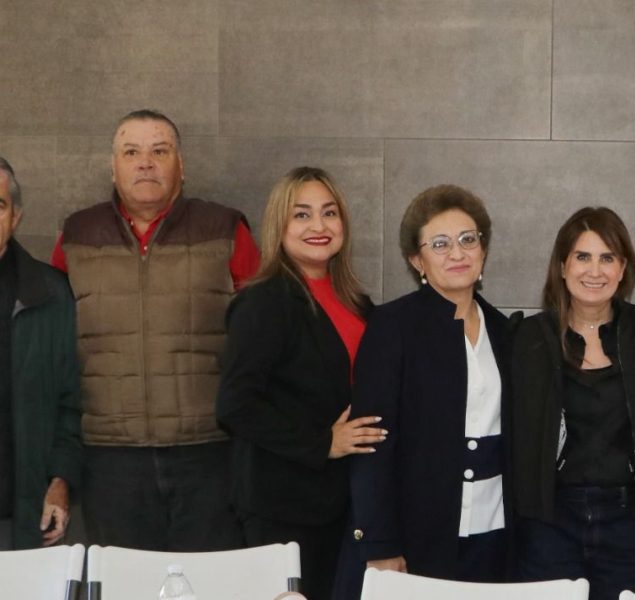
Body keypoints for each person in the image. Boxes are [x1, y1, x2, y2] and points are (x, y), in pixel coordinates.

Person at [51, 109, 259, 551]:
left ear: (181, 165)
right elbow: (52, 346)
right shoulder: (77, 235)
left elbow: (261, 334)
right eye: (131, 152)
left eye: (159, 151)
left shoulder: (225, 229)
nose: (145, 162)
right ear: (113, 167)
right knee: (124, 581)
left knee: (210, 580)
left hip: (210, 452)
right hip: (109, 459)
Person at [217, 166, 383, 600]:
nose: (318, 226)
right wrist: (322, 442)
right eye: (302, 215)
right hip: (282, 506)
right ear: (280, 225)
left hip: (344, 502)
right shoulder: (263, 301)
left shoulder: (357, 302)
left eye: (329, 213)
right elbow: (235, 404)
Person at [511, 207, 635, 600]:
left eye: (607, 258)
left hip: (632, 526)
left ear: (623, 268)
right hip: (549, 524)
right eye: (582, 257)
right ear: (562, 266)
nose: (595, 271)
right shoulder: (526, 339)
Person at [347, 184, 511, 585]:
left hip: (495, 534)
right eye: (440, 244)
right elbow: (371, 443)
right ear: (417, 260)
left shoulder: (505, 331)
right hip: (416, 536)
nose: (457, 253)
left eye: (467, 239)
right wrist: (380, 543)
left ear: (483, 249)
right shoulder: (392, 327)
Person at [0, 157, 82, 549]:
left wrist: (60, 480)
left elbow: (73, 402)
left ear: (15, 216)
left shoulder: (52, 295)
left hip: (21, 516)